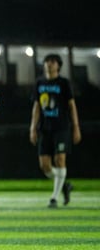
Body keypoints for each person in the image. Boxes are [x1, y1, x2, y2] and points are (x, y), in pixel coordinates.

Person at [29, 53, 82, 208]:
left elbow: (72, 105)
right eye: (47, 61)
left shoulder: (64, 83)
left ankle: (54, 198)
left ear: (58, 65)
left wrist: (76, 127)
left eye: (52, 62)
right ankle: (64, 185)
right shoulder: (39, 82)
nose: (49, 64)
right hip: (45, 128)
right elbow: (37, 106)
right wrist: (33, 127)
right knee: (44, 165)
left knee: (60, 160)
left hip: (61, 127)